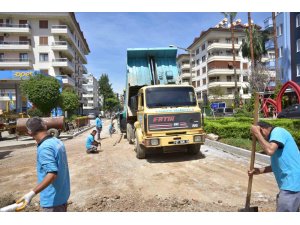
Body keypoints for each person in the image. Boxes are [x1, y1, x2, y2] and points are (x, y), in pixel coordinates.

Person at [16, 117, 70, 212]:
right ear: (45, 126)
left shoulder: (45, 147)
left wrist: (31, 193)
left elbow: (52, 174)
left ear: (29, 133)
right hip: (62, 196)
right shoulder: (57, 141)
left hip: (52, 202)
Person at [249, 121, 300, 212]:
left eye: (261, 135)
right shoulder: (276, 140)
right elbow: (278, 165)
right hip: (291, 184)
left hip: (292, 184)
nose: (261, 139)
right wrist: (259, 170)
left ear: (262, 129)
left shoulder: (278, 131)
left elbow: (269, 150)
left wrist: (257, 134)